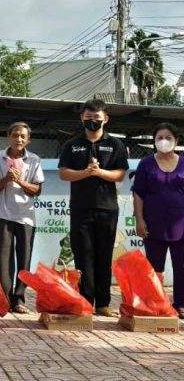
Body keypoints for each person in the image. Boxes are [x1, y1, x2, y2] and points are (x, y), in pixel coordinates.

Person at [58, 99, 128, 317]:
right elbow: (63, 173)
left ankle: (103, 303)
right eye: (88, 117)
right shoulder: (72, 144)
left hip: (107, 209)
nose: (92, 121)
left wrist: (99, 173)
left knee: (104, 256)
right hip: (80, 209)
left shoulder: (115, 145)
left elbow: (120, 174)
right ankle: (86, 302)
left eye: (96, 117)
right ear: (82, 118)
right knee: (83, 256)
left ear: (105, 119)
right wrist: (85, 173)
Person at [0, 122, 45, 314]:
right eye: (15, 135)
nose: (18, 139)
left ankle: (19, 299)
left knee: (24, 258)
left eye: (22, 136)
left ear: (28, 140)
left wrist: (19, 181)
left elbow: (37, 190)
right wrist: (7, 178)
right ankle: (4, 299)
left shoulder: (34, 160)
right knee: (2, 259)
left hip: (26, 216)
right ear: (8, 137)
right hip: (3, 214)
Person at [133, 122, 184, 318]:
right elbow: (138, 193)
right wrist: (140, 220)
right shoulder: (146, 163)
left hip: (181, 225)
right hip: (153, 225)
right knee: (154, 268)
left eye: (168, 138)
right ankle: (155, 304)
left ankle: (181, 304)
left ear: (176, 141)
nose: (164, 141)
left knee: (182, 267)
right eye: (159, 138)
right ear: (154, 141)